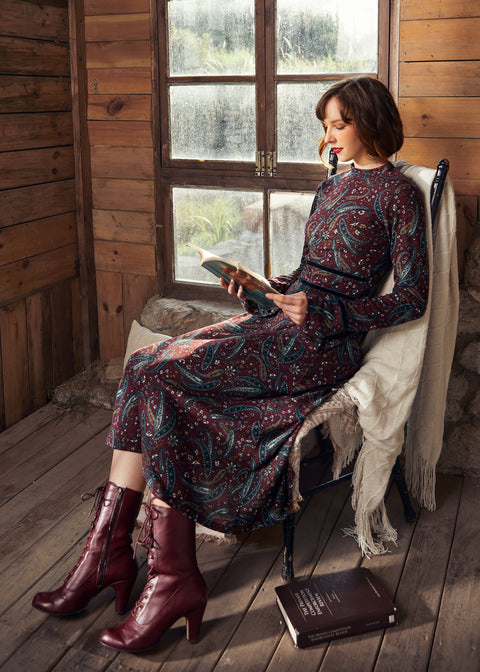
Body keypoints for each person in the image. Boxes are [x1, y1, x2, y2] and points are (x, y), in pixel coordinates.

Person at [32, 76, 428, 652]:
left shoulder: (397, 194)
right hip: (280, 324)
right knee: (144, 362)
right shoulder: (333, 185)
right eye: (325, 126)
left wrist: (328, 311)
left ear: (370, 121)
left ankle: (159, 574)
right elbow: (309, 274)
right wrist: (263, 288)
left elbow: (412, 298)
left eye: (339, 124)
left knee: (159, 375)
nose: (329, 136)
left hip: (323, 344)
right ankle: (110, 556)